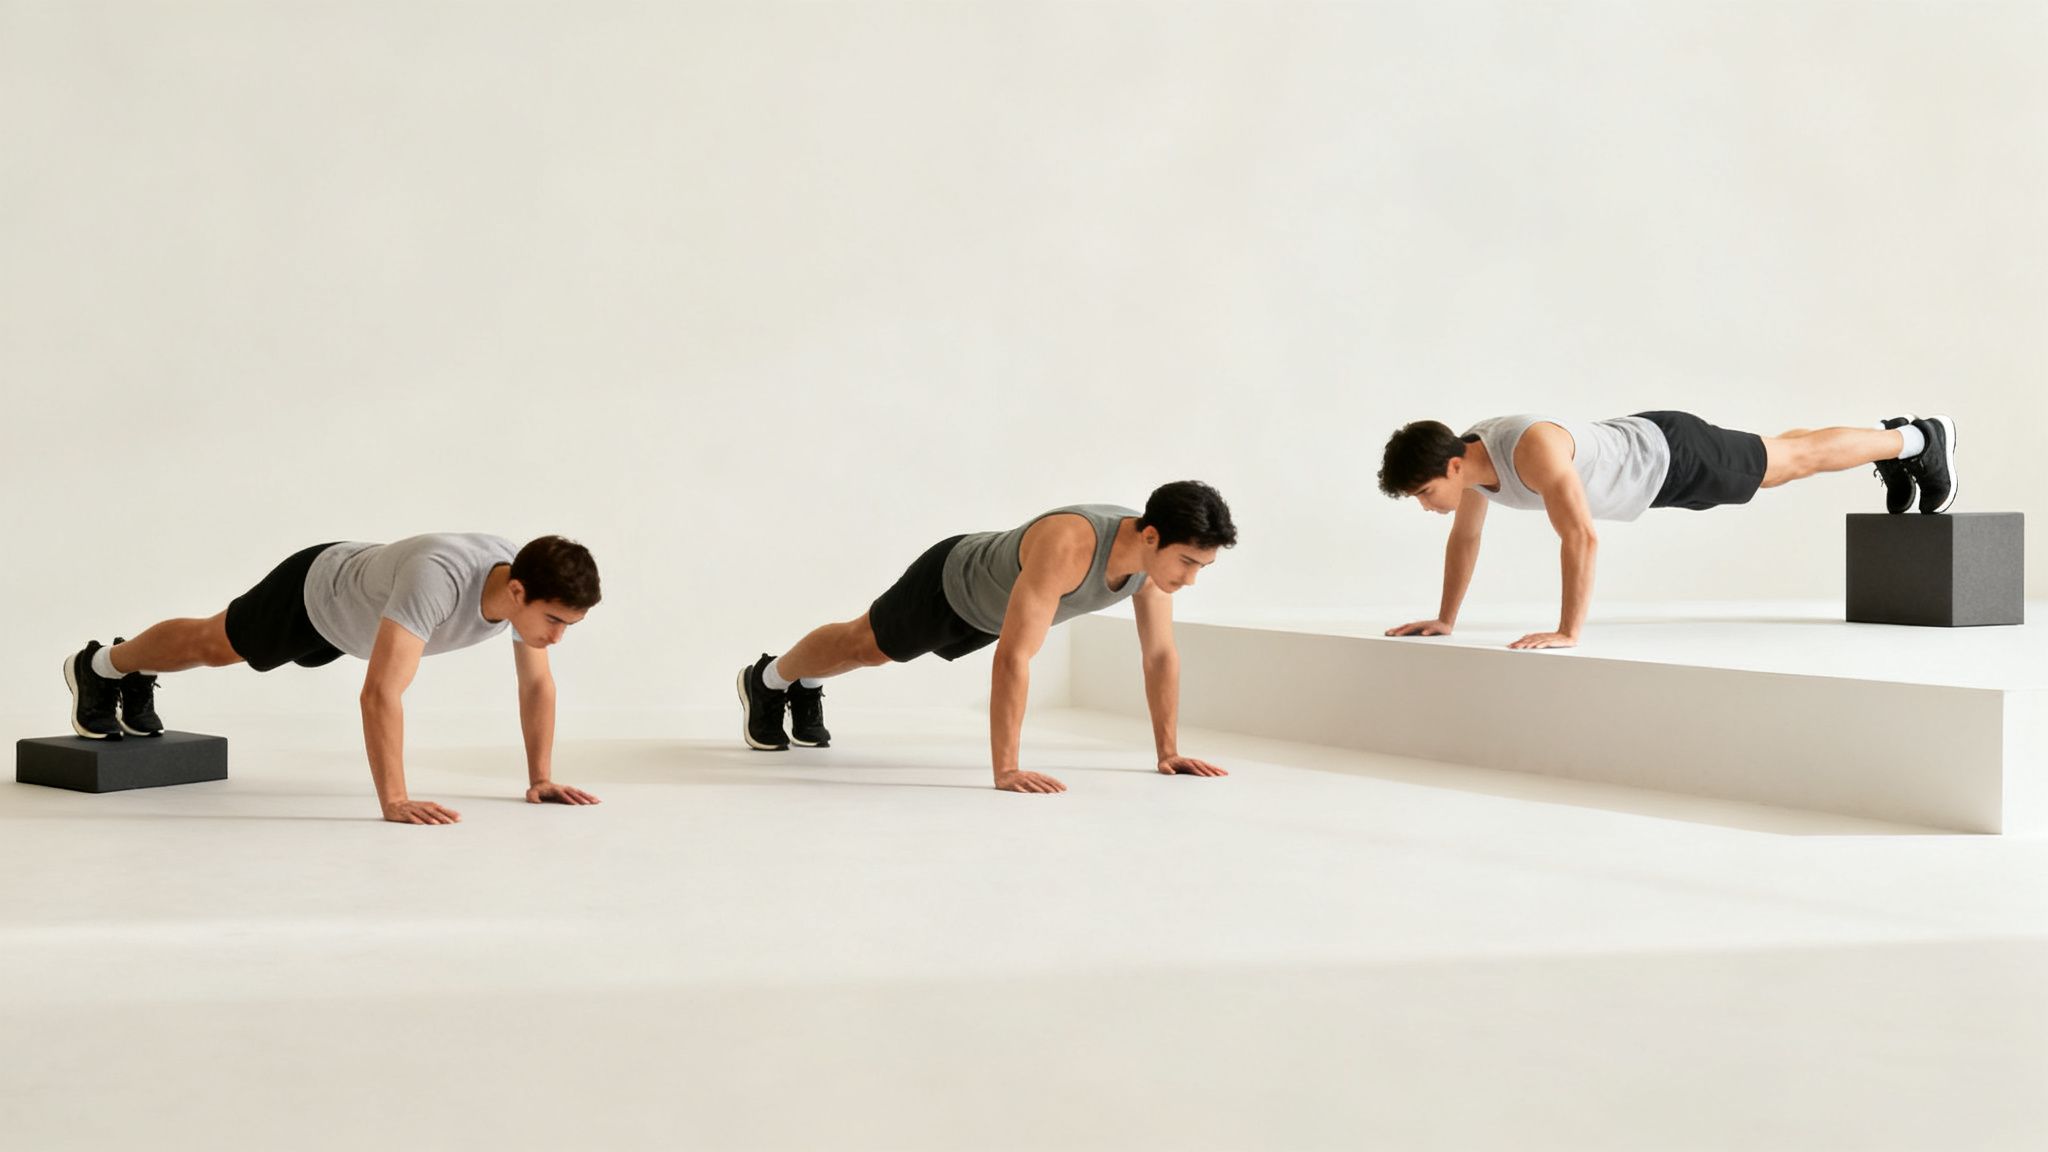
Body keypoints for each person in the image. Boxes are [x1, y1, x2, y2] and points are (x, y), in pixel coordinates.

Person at [62, 533, 603, 825]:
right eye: (554, 621)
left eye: (568, 626)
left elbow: (536, 685)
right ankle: (102, 666)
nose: (556, 638)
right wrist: (394, 800)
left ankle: (130, 672)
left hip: (358, 620)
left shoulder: (521, 590)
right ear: (517, 593)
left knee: (213, 647)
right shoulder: (438, 581)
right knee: (213, 645)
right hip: (314, 593)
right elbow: (380, 693)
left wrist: (540, 778)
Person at [737, 481, 1238, 794]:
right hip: (950, 583)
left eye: (1202, 566)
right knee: (863, 647)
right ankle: (769, 678)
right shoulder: (1069, 544)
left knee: (865, 651)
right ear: (1151, 536)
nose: (1190, 579)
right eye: (1188, 562)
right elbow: (1015, 657)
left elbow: (1159, 657)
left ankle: (800, 686)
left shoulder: (1153, 570)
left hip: (992, 610)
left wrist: (1168, 753)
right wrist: (1007, 769)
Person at [1376, 411, 1957, 649]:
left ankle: (1920, 440)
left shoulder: (1531, 450)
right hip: (1655, 459)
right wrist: (1447, 618)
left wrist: (1567, 631)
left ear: (1453, 465)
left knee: (1788, 464)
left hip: (1672, 459)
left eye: (1425, 493)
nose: (1426, 507)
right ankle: (1894, 438)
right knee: (1781, 458)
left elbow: (1580, 536)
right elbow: (1467, 538)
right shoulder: (1473, 465)